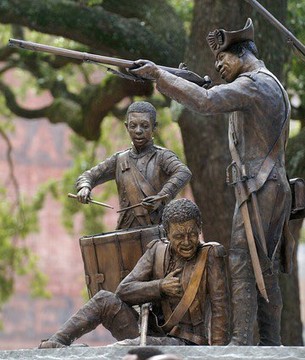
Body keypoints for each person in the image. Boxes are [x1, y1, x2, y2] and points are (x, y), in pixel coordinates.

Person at [129, 19, 295, 346]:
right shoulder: (263, 82)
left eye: (223, 58)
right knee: (263, 265)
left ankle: (241, 343)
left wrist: (160, 77)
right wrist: (175, 78)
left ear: (243, 53)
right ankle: (271, 343)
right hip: (268, 185)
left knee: (241, 260)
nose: (218, 65)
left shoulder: (253, 84)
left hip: (259, 186)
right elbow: (208, 93)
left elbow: (206, 102)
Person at [38, 198, 229, 348]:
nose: (187, 241)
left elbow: (220, 310)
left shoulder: (210, 255)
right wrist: (159, 287)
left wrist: (217, 355)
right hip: (149, 333)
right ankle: (56, 343)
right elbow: (124, 291)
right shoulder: (156, 250)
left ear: (200, 228)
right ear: (167, 233)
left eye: (192, 234)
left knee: (125, 348)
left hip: (187, 344)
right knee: (105, 299)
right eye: (179, 236)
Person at [76, 101, 191, 229]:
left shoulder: (162, 156)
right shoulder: (119, 159)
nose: (138, 131)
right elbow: (89, 175)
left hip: (158, 232)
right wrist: (84, 187)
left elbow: (183, 172)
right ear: (126, 127)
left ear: (154, 127)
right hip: (126, 232)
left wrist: (161, 197)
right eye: (133, 126)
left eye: (145, 126)